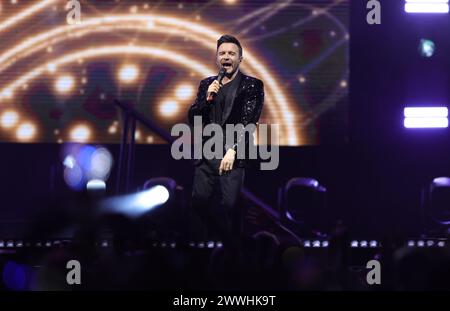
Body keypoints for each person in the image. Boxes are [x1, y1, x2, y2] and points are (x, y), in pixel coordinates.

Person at [187, 34, 264, 248]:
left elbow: (250, 121)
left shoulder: (252, 85)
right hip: (206, 155)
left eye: (231, 53)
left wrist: (233, 150)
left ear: (240, 59)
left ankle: (230, 255)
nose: (226, 57)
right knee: (198, 205)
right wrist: (205, 99)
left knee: (229, 207)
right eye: (222, 53)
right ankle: (199, 255)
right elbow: (194, 118)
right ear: (216, 57)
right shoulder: (207, 84)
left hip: (232, 156)